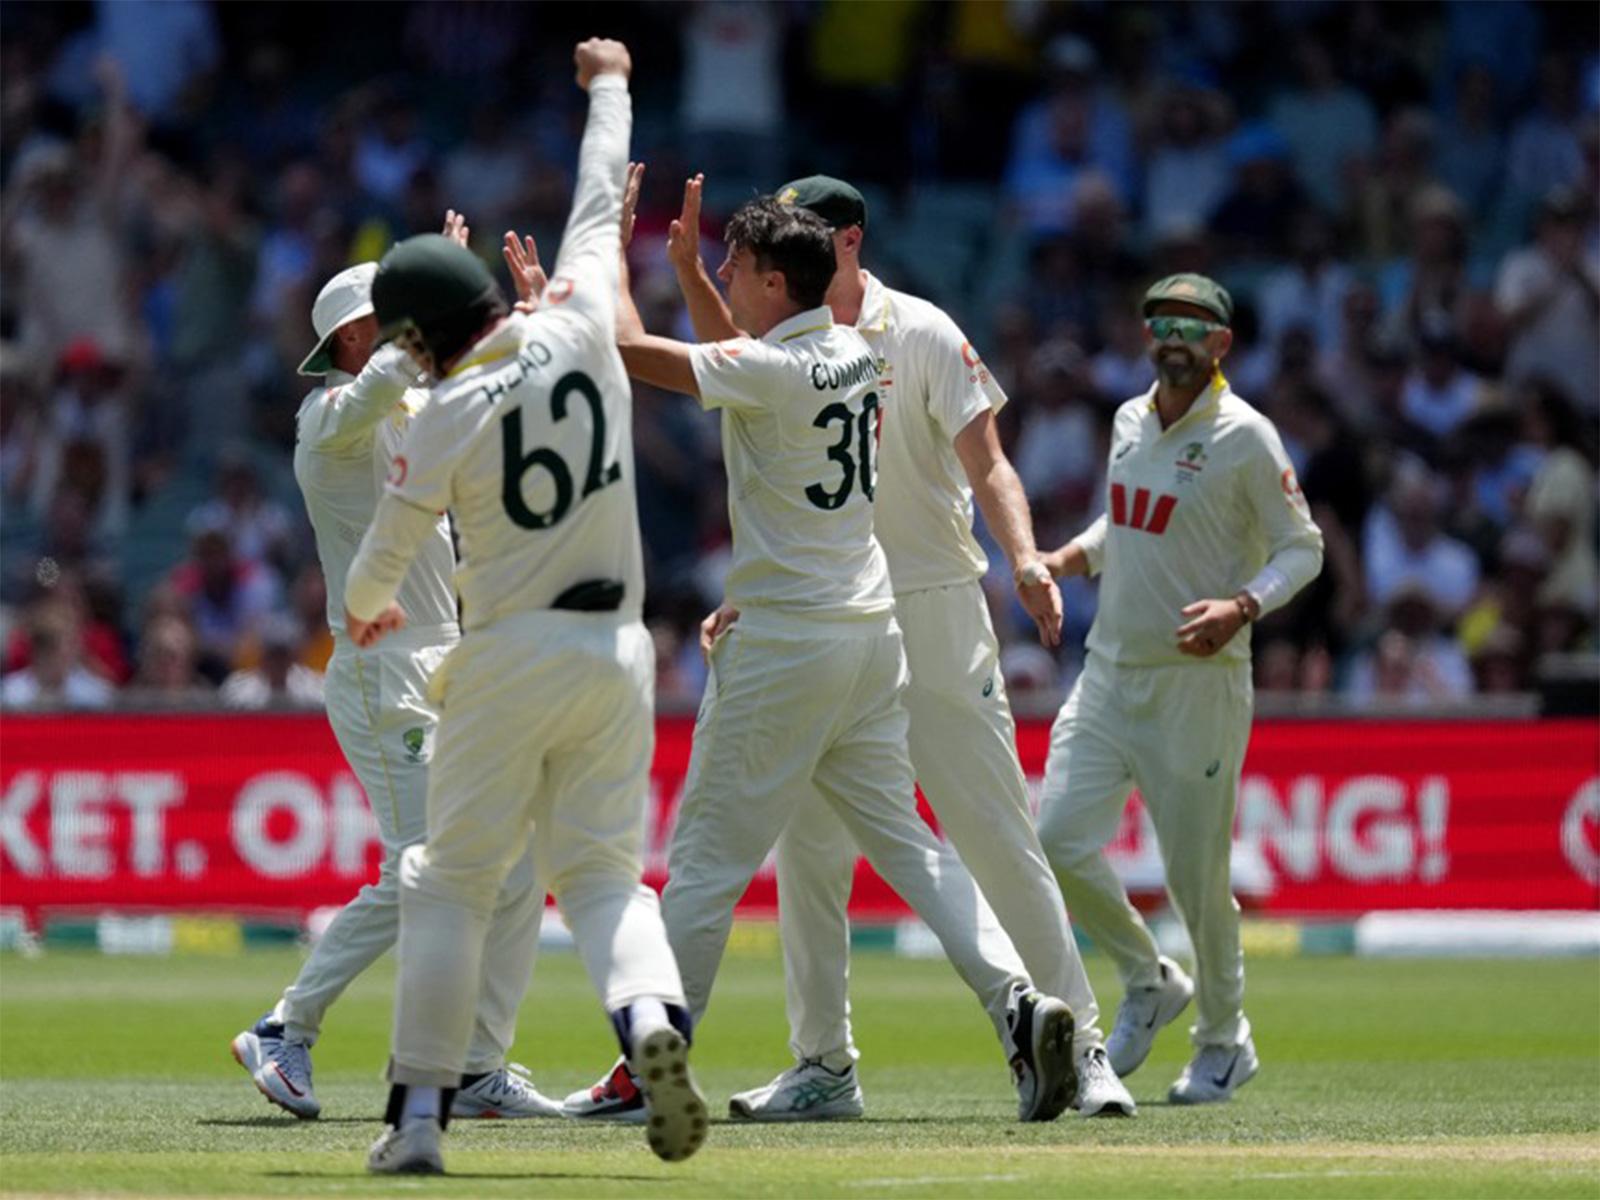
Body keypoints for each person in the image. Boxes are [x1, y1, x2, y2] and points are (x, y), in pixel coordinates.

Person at [567, 188, 1079, 1127]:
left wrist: (604, 253)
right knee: (915, 854)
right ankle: (1020, 1000)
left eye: (730, 269)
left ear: (772, 282)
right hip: (868, 640)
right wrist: (685, 270)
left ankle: (648, 1068)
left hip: (786, 645)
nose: (720, 277)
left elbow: (638, 353)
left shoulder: (777, 370)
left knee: (707, 866)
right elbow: (740, 359)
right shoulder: (847, 353)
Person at [345, 39, 707, 1174]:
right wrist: (609, 84)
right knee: (605, 878)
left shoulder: (437, 415)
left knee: (452, 883)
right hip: (616, 651)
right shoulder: (586, 317)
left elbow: (379, 560)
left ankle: (414, 1125)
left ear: (418, 340)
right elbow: (602, 194)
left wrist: (365, 609)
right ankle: (649, 1022)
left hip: (503, 654)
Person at [230, 224, 557, 1125]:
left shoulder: (411, 405)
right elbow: (390, 381)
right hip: (382, 672)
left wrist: (516, 314)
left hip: (449, 661)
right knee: (425, 866)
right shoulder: (327, 422)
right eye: (392, 315)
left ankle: (480, 1068)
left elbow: (495, 391)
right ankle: (284, 1027)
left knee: (518, 856)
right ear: (350, 337)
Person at [1033, 274, 1324, 1105]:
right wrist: (1069, 557)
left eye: (1193, 327)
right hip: (1109, 671)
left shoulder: (1246, 436)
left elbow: (1303, 549)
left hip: (1199, 684)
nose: (1173, 338)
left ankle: (1226, 1041)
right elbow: (1125, 524)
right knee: (1056, 840)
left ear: (1222, 345)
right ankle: (1148, 976)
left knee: (1197, 880)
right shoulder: (1129, 418)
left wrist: (1242, 605)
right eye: (1160, 322)